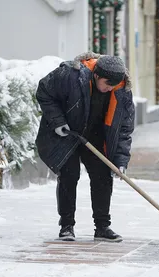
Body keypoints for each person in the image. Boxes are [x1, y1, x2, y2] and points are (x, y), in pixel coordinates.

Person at [35, 52, 135, 241]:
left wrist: (121, 160)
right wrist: (57, 121)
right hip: (68, 133)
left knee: (103, 176)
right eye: (107, 84)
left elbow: (124, 128)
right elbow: (44, 91)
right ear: (96, 75)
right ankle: (66, 226)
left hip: (96, 137)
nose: (110, 89)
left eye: (114, 85)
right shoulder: (70, 76)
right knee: (69, 175)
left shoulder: (122, 91)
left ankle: (102, 227)